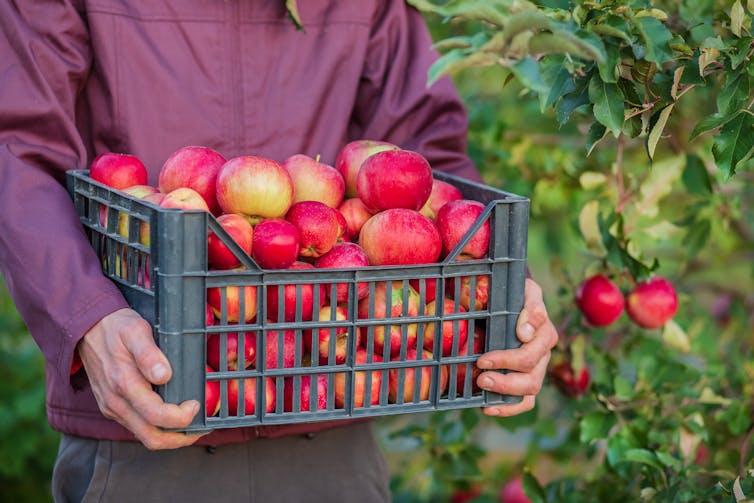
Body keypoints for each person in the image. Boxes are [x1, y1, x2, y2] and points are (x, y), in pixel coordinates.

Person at [0, 1, 558, 501]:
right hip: (144, 420)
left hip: (330, 405)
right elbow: (18, 148)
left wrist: (504, 295)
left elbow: (425, 165)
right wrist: (87, 317)